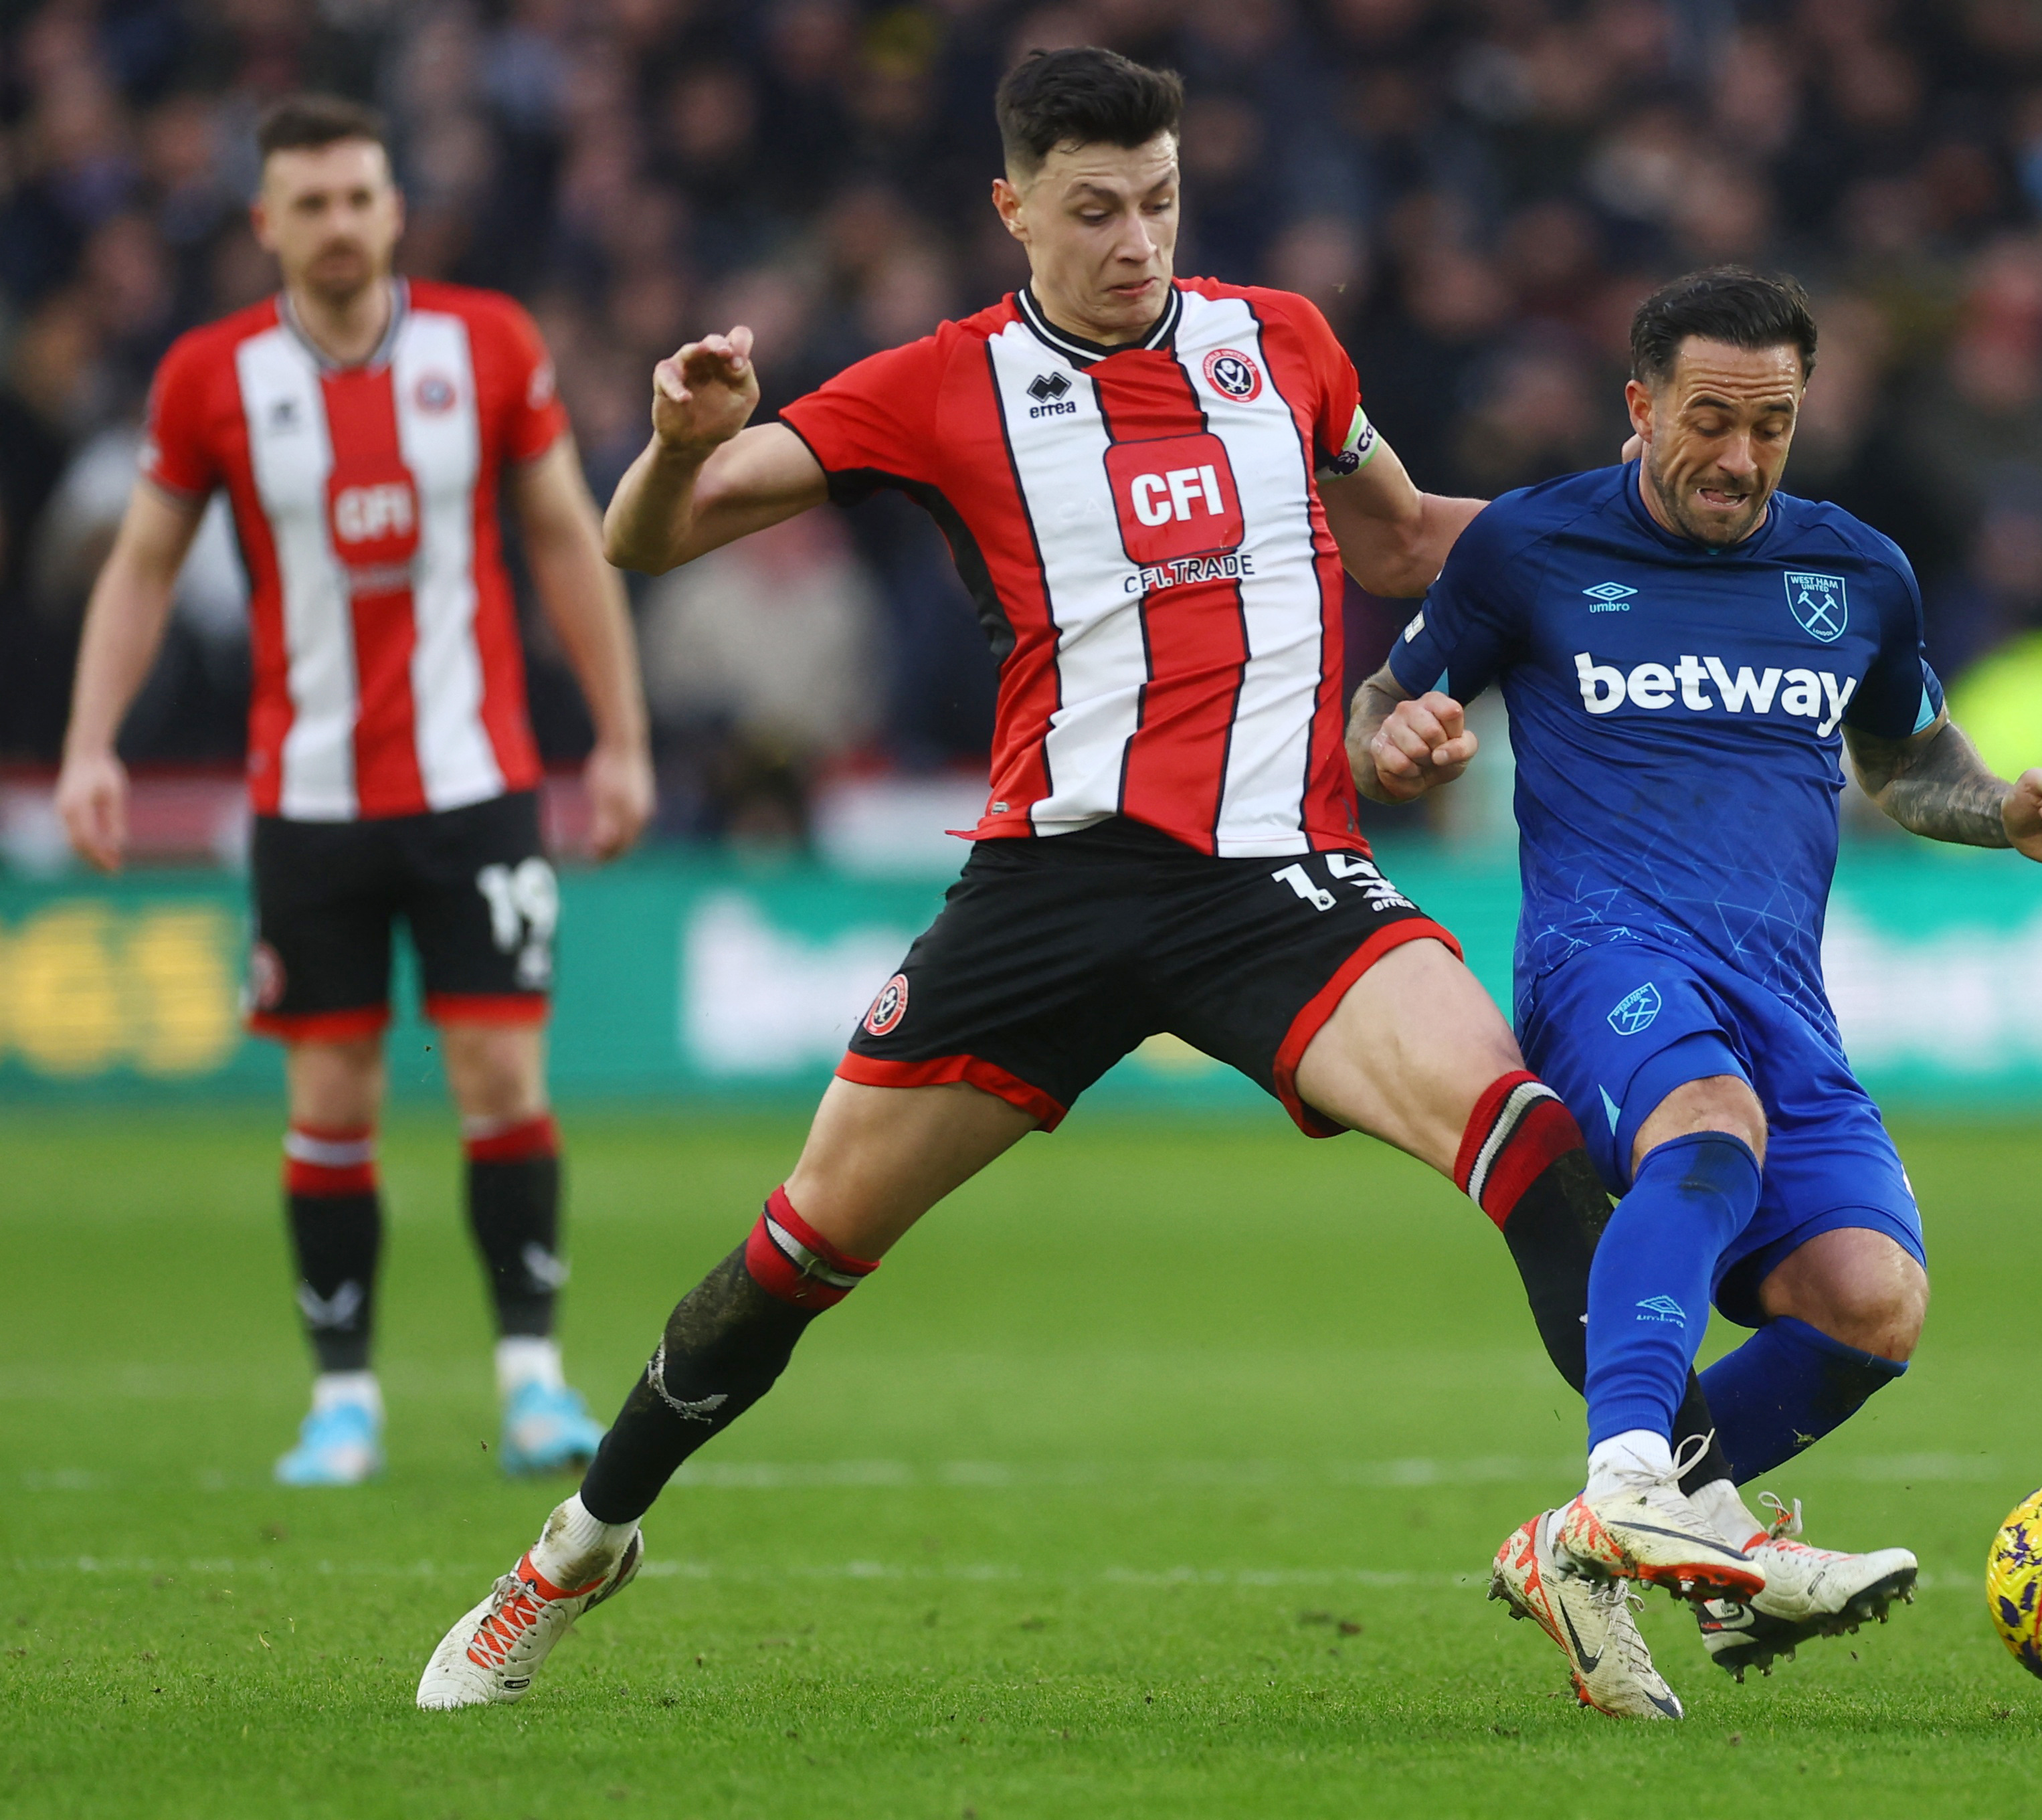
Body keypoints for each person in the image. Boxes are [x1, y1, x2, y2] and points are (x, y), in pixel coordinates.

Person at [414, 46, 1730, 1710]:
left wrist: (1645, 550)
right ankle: (578, 1548)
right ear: (1012, 207)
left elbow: (1401, 542)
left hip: (1280, 878)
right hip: (1049, 895)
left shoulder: (1286, 345)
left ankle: (1690, 1512)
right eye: (1095, 210)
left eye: (1161, 202)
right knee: (798, 1251)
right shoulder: (939, 384)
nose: (1136, 241)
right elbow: (645, 539)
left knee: (1527, 1140)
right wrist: (680, 443)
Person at [1350, 268, 2042, 1718]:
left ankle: (1582, 1549)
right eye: (1709, 421)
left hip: (1781, 991)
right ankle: (1640, 1490)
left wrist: (2010, 811)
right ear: (1638, 406)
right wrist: (1401, 746)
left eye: (1771, 427)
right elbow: (1384, 702)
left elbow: (1905, 762)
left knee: (1871, 1300)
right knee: (1706, 1128)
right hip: (1601, 959)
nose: (1739, 460)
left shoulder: (1855, 573)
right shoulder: (1531, 546)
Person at [52, 95, 654, 1487]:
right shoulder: (211, 378)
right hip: (308, 795)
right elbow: (140, 564)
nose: (337, 225)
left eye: (358, 198)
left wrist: (619, 738)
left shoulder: (488, 344)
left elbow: (566, 536)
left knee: (503, 1072)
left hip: (477, 783)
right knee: (331, 1095)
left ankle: (531, 1382)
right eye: (308, 203)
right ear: (265, 223)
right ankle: (343, 1399)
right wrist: (95, 742)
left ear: (397, 211)